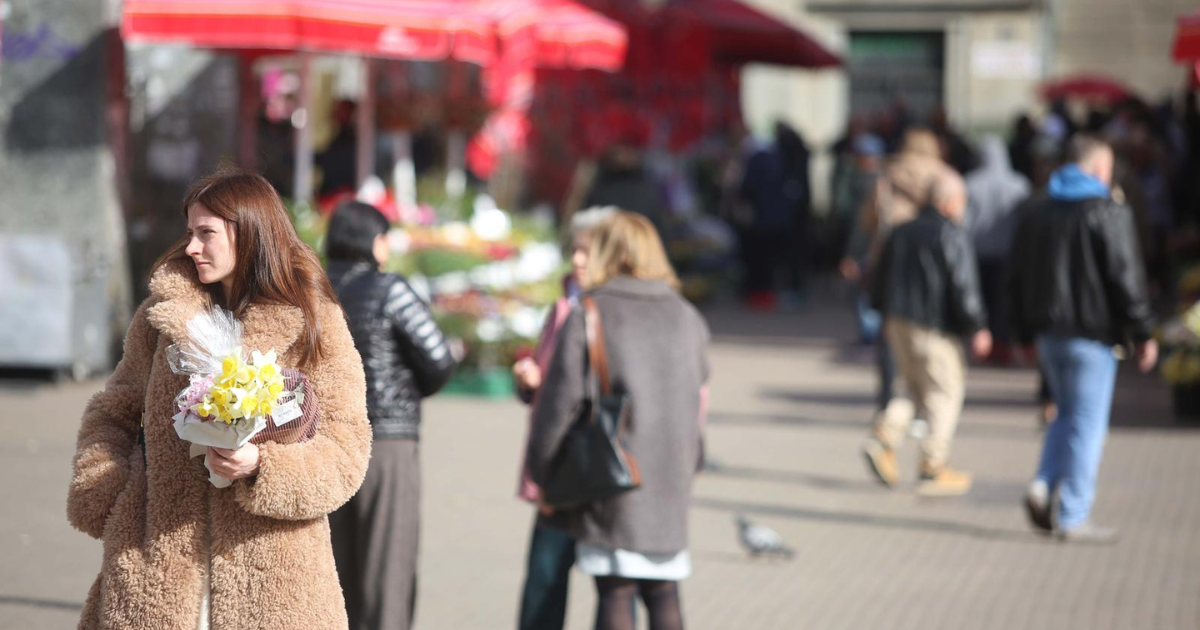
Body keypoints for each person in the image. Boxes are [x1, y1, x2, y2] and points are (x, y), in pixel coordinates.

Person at [66, 169, 373, 629]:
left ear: (249, 234)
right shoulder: (161, 318)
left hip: (278, 581)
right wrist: (114, 499)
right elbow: (114, 412)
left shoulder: (315, 320)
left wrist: (262, 467)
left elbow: (347, 446)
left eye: (206, 233)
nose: (191, 247)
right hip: (157, 567)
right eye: (190, 232)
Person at [527, 211, 710, 630]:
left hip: (615, 471)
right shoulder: (687, 316)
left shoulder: (592, 312)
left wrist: (543, 471)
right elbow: (700, 391)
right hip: (673, 473)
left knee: (617, 588)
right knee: (664, 589)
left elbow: (559, 405)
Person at [1009, 135, 1158, 543]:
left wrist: (1021, 329)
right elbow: (1126, 277)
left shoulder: (1037, 210)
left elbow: (1017, 273)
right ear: (1096, 168)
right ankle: (1074, 515)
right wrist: (1143, 332)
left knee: (1067, 414)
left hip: (1048, 334)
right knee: (1088, 424)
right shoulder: (1108, 211)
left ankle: (1042, 486)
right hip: (1092, 336)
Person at [325, 201, 457, 630]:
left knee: (332, 570)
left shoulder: (311, 290)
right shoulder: (390, 289)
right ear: (373, 243)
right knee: (387, 572)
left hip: (320, 442)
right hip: (387, 443)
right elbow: (438, 359)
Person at [511, 207, 614, 630]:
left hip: (601, 465)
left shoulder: (617, 312)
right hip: (559, 463)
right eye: (574, 250)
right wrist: (530, 380)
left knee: (613, 587)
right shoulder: (562, 305)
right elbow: (549, 380)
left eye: (588, 252)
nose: (578, 261)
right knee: (544, 580)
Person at [863, 172, 991, 496]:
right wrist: (976, 326)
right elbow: (963, 285)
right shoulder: (951, 234)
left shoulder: (900, 231)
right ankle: (933, 466)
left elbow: (879, 276)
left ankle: (883, 439)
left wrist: (881, 312)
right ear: (949, 202)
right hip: (932, 326)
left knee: (910, 386)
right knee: (945, 392)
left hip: (897, 320)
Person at [965, 135, 1031, 365]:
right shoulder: (1019, 184)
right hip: (1007, 252)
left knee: (981, 300)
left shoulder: (970, 183)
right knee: (1003, 303)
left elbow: (964, 222)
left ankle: (982, 342)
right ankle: (1001, 345)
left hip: (978, 252)